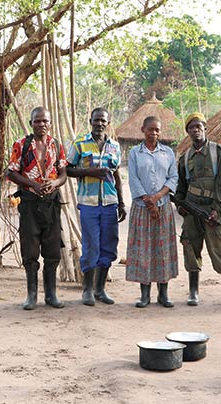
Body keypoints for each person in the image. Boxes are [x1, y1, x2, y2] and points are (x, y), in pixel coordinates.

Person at [175, 113, 221, 307]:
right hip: (191, 209)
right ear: (187, 132)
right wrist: (180, 206)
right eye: (191, 127)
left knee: (220, 249)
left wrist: (216, 209)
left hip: (212, 211)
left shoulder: (218, 152)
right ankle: (193, 292)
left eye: (199, 126)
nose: (195, 130)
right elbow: (181, 186)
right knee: (190, 248)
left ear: (205, 128)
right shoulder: (185, 158)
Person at [5, 107, 68, 310]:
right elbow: (11, 173)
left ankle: (51, 294)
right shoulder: (21, 145)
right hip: (30, 203)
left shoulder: (56, 145)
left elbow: (63, 174)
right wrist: (33, 184)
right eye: (37, 121)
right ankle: (31, 295)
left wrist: (54, 183)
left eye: (45, 121)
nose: (42, 124)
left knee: (53, 250)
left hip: (51, 203)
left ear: (50, 123)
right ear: (31, 123)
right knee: (30, 249)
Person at [66, 107, 127, 306]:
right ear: (90, 120)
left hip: (110, 203)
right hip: (89, 203)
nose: (99, 124)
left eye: (103, 121)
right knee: (91, 246)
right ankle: (87, 290)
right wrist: (90, 171)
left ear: (108, 123)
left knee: (108, 246)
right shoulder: (80, 144)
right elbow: (68, 169)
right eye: (96, 120)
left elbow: (116, 175)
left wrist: (121, 202)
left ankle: (100, 289)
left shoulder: (115, 146)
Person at [126, 116, 179, 308]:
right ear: (142, 130)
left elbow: (173, 178)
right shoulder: (135, 153)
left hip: (163, 207)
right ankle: (144, 295)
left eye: (157, 130)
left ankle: (163, 294)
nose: (154, 133)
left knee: (162, 248)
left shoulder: (168, 153)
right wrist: (148, 202)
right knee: (143, 250)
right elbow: (133, 179)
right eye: (151, 129)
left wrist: (157, 198)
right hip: (142, 208)